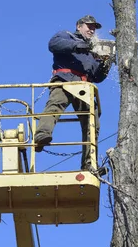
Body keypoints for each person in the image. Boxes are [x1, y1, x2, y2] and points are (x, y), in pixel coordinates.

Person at [34, 15, 112, 171]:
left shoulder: (92, 51)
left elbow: (97, 77)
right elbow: (53, 45)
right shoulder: (66, 35)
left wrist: (104, 64)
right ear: (79, 26)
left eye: (94, 28)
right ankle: (41, 135)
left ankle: (89, 164)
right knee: (55, 105)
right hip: (65, 79)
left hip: (85, 86)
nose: (92, 30)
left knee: (92, 123)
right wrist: (79, 46)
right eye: (89, 26)